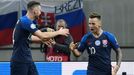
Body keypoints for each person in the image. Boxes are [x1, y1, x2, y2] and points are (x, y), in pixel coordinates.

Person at [11, 1, 69, 75]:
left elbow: (30, 37)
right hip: (20, 61)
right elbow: (42, 35)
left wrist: (42, 40)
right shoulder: (26, 22)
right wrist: (59, 32)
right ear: (35, 11)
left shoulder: (24, 21)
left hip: (27, 60)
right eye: (39, 10)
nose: (40, 13)